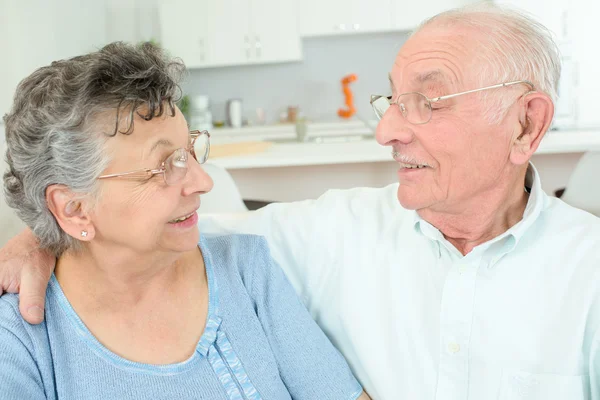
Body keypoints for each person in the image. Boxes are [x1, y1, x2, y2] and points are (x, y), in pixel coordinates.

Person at [2, 3, 600, 400]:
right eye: (390, 99)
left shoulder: (589, 272)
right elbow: (155, 235)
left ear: (526, 125)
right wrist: (47, 232)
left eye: (430, 101)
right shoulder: (325, 235)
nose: (387, 130)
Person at [0, 41, 370, 400]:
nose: (203, 182)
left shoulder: (244, 268)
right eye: (165, 166)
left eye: (190, 152)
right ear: (74, 209)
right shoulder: (20, 340)